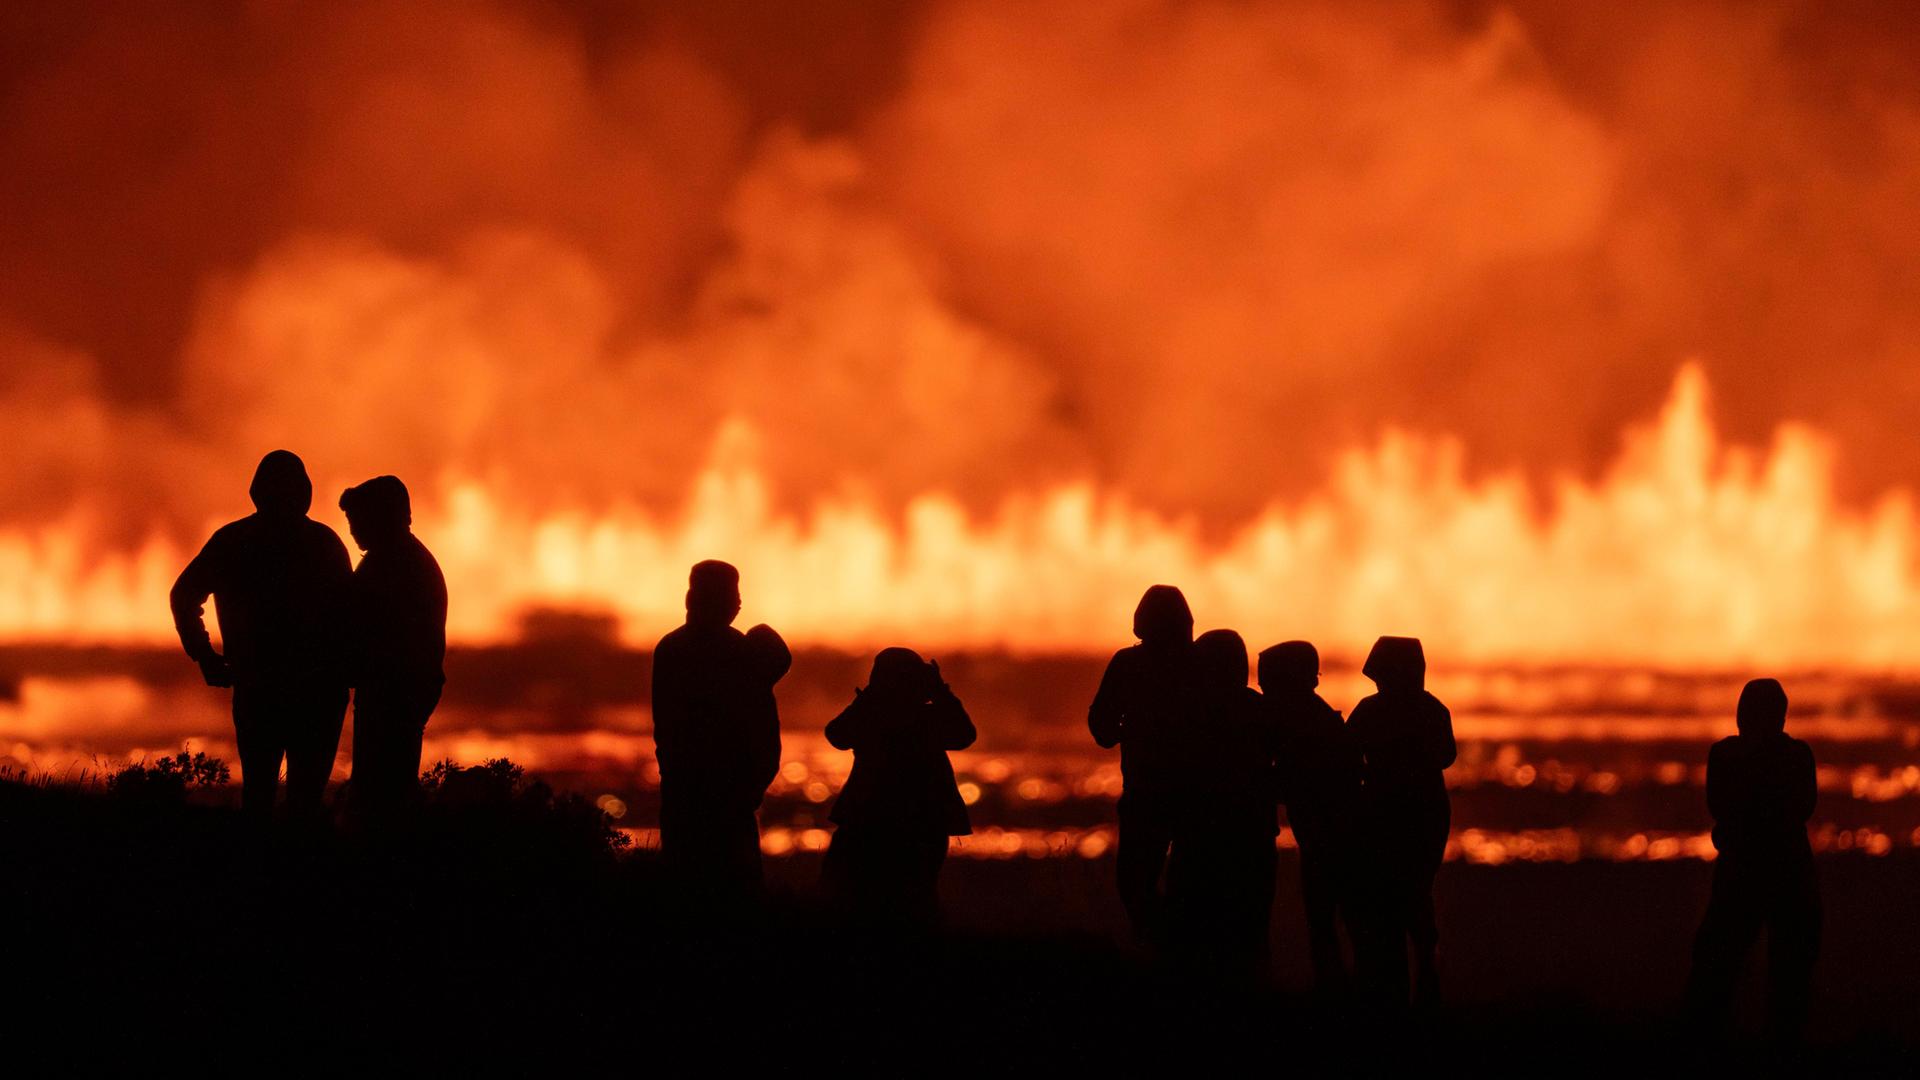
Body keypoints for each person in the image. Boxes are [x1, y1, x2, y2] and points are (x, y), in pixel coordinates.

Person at [170, 450, 352, 824]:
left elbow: (183, 595)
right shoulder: (325, 544)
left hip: (260, 689)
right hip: (317, 693)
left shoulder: (233, 540)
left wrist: (205, 656)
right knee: (306, 801)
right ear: (306, 492)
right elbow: (351, 618)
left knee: (258, 796)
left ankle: (257, 871)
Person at [1684, 677, 1820, 1050]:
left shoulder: (1725, 756)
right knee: (1785, 968)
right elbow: (1803, 807)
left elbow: (1720, 807)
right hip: (1785, 869)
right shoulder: (1796, 756)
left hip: (1746, 869)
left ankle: (1708, 1047)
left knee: (1719, 962)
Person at [650, 560, 789, 897]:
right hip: (723, 791)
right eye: (732, 595)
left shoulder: (672, 647)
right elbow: (760, 726)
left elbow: (666, 730)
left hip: (688, 789)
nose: (739, 603)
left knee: (688, 886)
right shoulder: (737, 652)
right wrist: (754, 782)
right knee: (732, 889)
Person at [820, 648, 976, 923]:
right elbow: (964, 734)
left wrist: (869, 696)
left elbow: (837, 734)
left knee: (858, 898)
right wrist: (940, 691)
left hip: (869, 819)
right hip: (921, 822)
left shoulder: (873, 715)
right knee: (916, 898)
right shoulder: (926, 718)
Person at [1345, 635, 1454, 1009]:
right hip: (1424, 813)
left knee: (1390, 906)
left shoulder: (1370, 711)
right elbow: (1447, 756)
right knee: (1415, 899)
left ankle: (1396, 993)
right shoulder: (1434, 710)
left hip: (1388, 816)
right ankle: (1424, 986)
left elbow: (1346, 756)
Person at [1164, 628, 1279, 977]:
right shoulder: (1259, 709)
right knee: (1249, 928)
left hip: (1199, 834)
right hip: (1251, 835)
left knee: (1191, 926)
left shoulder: (1187, 710)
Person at [1088, 584, 1199, 944]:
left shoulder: (1128, 663)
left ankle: (1154, 947)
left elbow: (1102, 727)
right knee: (1190, 882)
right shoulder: (1200, 664)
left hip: (1144, 790)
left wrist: (1129, 728)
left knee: (1135, 882)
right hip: (1197, 795)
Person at [339, 475, 447, 818]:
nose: (353, 531)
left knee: (378, 792)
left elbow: (363, 624)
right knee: (388, 785)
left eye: (357, 520)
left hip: (393, 691)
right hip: (403, 688)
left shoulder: (392, 565)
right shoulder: (402, 559)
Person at [1260, 640, 1360, 992]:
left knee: (1329, 919)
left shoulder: (1305, 723)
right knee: (1336, 920)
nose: (1263, 691)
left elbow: (1299, 780)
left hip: (1330, 837)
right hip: (1327, 835)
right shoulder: (1307, 716)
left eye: (1269, 682)